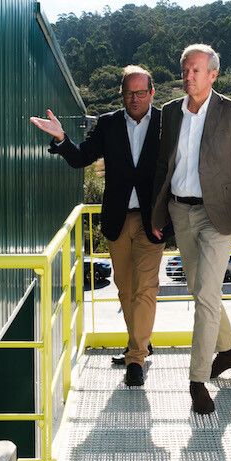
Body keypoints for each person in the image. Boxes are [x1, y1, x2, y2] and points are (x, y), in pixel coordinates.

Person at [150, 44, 231, 414]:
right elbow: (163, 166)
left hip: (219, 215)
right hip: (180, 212)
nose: (189, 76)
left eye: (196, 70)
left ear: (213, 74)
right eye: (185, 70)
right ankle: (230, 351)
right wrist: (158, 214)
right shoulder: (170, 113)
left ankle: (197, 379)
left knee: (205, 296)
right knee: (198, 289)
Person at [30, 65, 165, 388]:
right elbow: (80, 158)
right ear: (122, 94)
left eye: (141, 93)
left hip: (154, 222)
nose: (135, 99)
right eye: (129, 93)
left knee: (146, 288)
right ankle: (140, 343)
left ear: (152, 93)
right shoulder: (108, 124)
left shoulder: (166, 122)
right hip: (118, 219)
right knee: (125, 289)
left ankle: (136, 359)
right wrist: (61, 138)